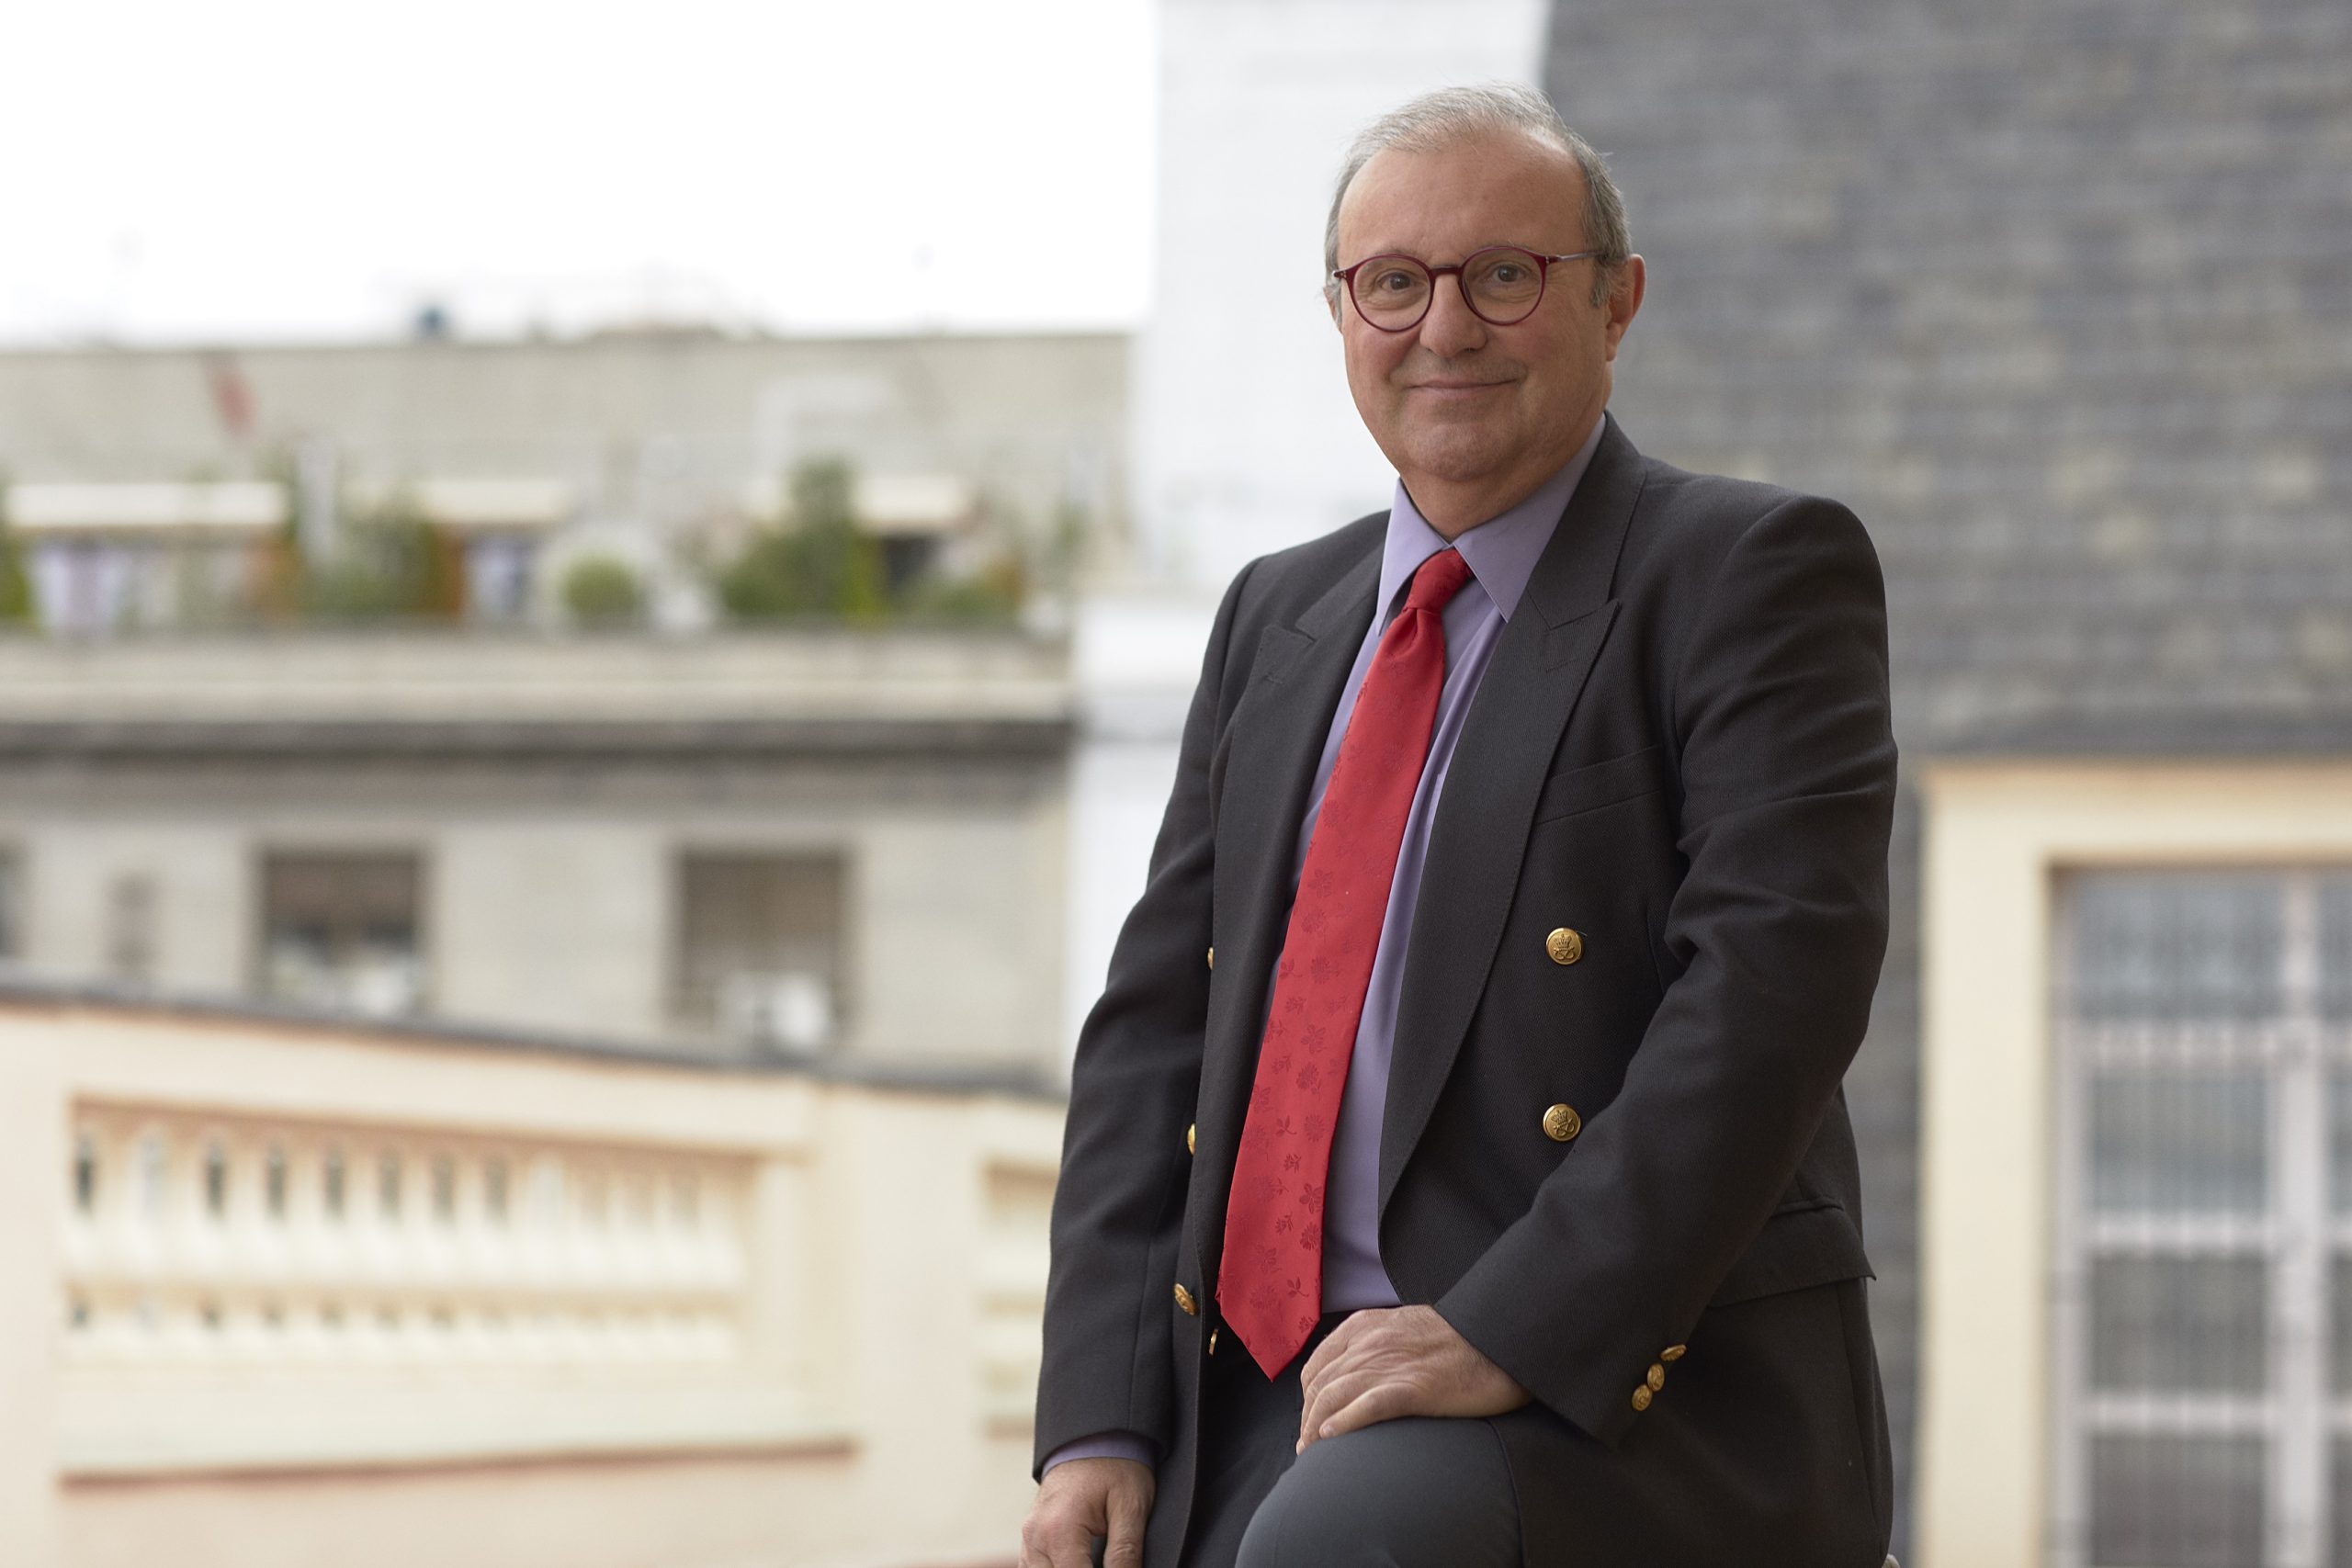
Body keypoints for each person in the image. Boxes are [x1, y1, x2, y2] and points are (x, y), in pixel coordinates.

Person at [1022, 84, 1897, 1568]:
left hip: (1607, 1384)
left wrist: (1515, 1323)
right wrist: (1099, 1416)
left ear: (1616, 303)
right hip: (1257, 1387)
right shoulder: (1275, 617)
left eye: (1504, 275)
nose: (1443, 327)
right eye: (1393, 284)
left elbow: (1771, 998)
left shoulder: (1748, 572)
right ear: (1342, 311)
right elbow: (1157, 1031)